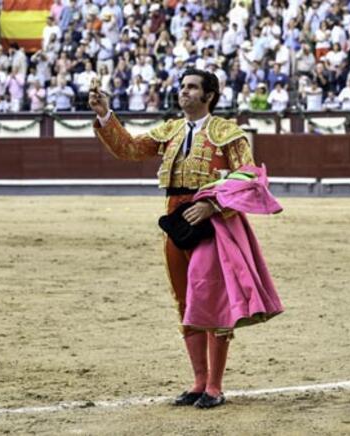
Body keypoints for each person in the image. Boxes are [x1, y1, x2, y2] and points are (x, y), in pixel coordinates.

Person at [89, 68, 281, 409]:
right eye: (182, 87)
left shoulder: (228, 133)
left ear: (209, 96)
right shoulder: (172, 130)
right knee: (185, 300)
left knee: (211, 299)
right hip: (176, 220)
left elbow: (248, 175)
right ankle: (197, 381)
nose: (184, 92)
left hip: (212, 223)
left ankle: (215, 386)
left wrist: (212, 204)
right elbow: (130, 149)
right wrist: (105, 114)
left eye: (192, 87)